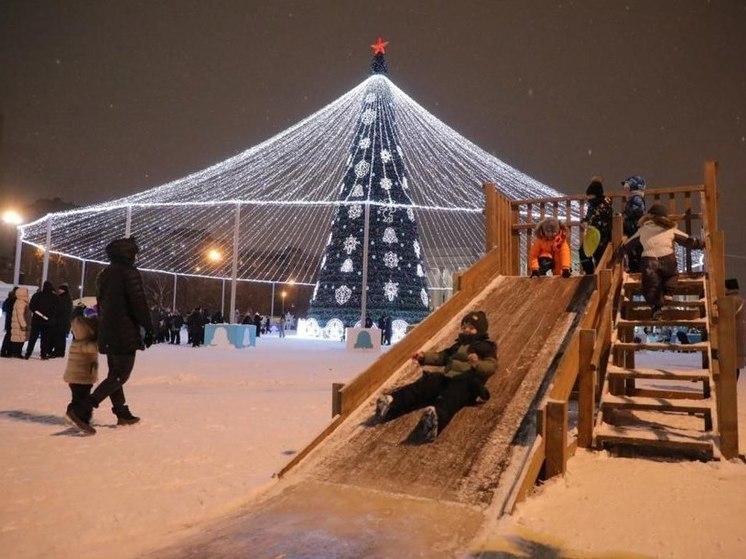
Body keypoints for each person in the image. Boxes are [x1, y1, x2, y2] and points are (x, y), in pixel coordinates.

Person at [66, 237, 154, 435]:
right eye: (135, 253)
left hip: (108, 331)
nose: (137, 257)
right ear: (128, 253)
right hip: (125, 331)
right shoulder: (129, 272)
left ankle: (122, 412)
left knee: (115, 374)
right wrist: (148, 327)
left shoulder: (105, 273)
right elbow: (138, 302)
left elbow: (102, 303)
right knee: (121, 374)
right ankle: (83, 408)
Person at [375, 310, 497, 442]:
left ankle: (435, 420)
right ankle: (392, 403)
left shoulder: (486, 347)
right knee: (427, 383)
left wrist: (477, 364)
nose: (467, 330)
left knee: (451, 397)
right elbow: (442, 356)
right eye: (465, 327)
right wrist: (424, 356)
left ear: (480, 330)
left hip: (467, 382)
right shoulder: (458, 345)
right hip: (448, 377)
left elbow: (491, 366)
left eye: (471, 328)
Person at [623, 203, 704, 320]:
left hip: (649, 262)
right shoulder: (670, 229)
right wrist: (700, 243)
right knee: (672, 275)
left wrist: (621, 251)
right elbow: (687, 240)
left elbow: (629, 244)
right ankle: (668, 293)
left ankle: (656, 309)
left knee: (650, 285)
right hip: (667, 258)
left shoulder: (643, 230)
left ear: (649, 217)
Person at [63, 316, 99, 434]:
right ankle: (81, 418)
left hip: (76, 378)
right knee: (83, 399)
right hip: (81, 378)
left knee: (77, 398)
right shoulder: (84, 344)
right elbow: (96, 347)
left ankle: (73, 414)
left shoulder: (77, 341)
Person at [578, 176, 613, 274]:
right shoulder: (592, 206)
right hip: (592, 235)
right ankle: (590, 273)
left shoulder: (605, 206)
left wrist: (591, 225)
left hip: (602, 237)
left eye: (591, 197)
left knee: (599, 255)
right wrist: (584, 222)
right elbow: (588, 218)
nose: (589, 199)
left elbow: (606, 222)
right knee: (583, 252)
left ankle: (598, 275)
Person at [25, 280, 60, 359]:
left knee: (33, 338)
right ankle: (43, 354)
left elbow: (32, 307)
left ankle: (28, 353)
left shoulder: (37, 295)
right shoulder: (55, 297)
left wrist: (39, 313)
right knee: (45, 339)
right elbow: (57, 309)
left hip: (36, 321)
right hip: (48, 322)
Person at [621, 175, 647, 273]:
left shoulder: (636, 198)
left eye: (627, 188)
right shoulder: (632, 199)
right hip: (632, 227)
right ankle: (634, 267)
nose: (625, 190)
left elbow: (638, 211)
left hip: (634, 227)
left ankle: (636, 269)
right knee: (633, 249)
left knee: (635, 248)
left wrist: (627, 215)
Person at [725, 278, 745, 380]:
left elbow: (726, 317)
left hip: (730, 335)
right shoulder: (741, 300)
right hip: (740, 334)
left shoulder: (729, 301)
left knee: (729, 364)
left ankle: (730, 390)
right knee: (736, 364)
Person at [9, 287, 31, 358]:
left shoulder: (20, 301)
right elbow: (20, 315)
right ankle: (17, 353)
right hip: (19, 325)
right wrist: (23, 324)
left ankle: (16, 353)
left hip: (18, 324)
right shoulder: (21, 302)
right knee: (19, 339)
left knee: (19, 339)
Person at [52, 283, 73, 358]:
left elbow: (61, 309)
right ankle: (60, 351)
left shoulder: (63, 298)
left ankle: (58, 352)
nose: (59, 290)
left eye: (60, 289)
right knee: (61, 337)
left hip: (61, 321)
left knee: (59, 337)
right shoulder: (67, 298)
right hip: (64, 321)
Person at [1, 286, 18, 357]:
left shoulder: (8, 299)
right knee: (10, 336)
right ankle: (8, 351)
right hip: (13, 320)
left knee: (8, 336)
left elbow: (4, 308)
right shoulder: (15, 300)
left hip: (8, 319)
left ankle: (4, 351)